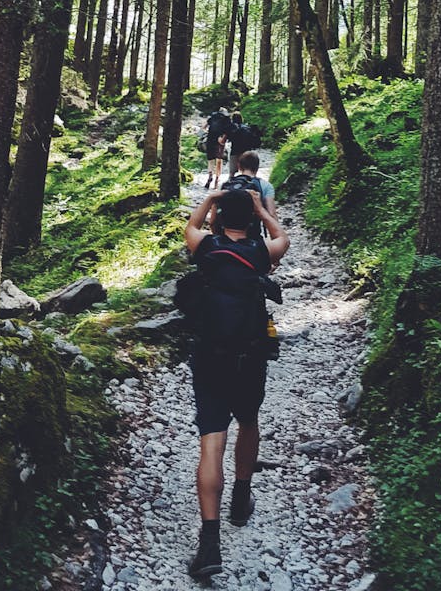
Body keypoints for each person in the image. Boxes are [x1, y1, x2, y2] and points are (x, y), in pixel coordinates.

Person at [183, 186, 290, 580]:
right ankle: (241, 499)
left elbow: (190, 225)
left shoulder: (206, 249)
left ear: (220, 217)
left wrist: (211, 200)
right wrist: (263, 211)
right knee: (248, 420)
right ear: (251, 219)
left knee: (212, 441)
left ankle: (209, 543)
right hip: (250, 356)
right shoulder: (263, 253)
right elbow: (283, 238)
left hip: (210, 357)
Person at [225, 111, 261, 177]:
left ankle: (230, 183)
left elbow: (227, 139)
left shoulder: (232, 128)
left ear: (232, 119)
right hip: (246, 152)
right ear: (241, 119)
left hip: (235, 152)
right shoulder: (246, 128)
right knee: (247, 170)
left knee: (232, 172)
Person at [203, 104, 231, 189]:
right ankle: (217, 179)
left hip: (210, 138)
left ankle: (210, 176)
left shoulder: (213, 117)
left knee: (210, 160)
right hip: (220, 140)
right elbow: (228, 131)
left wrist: (209, 132)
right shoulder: (226, 118)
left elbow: (204, 127)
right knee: (219, 160)